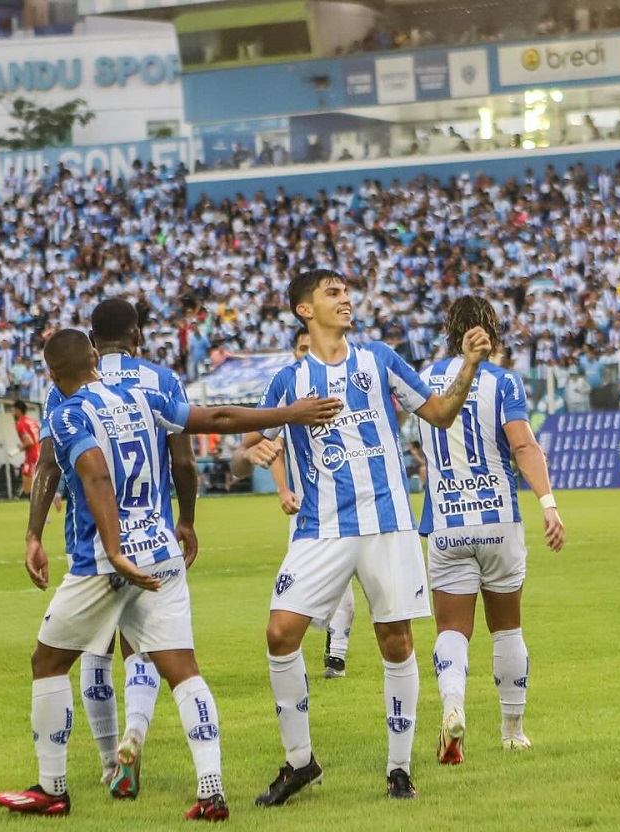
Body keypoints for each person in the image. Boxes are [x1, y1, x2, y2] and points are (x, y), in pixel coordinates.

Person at [0, 328, 341, 819]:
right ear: (97, 358)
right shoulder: (141, 394)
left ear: (51, 374)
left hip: (103, 560)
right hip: (161, 551)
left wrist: (114, 551)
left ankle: (52, 789)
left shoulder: (67, 412)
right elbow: (219, 418)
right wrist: (291, 413)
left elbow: (94, 475)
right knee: (183, 672)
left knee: (47, 663)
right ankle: (212, 792)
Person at [232, 269, 492, 803]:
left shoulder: (378, 360)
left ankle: (399, 769)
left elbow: (441, 414)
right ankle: (299, 763)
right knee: (280, 634)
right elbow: (240, 456)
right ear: (305, 310)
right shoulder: (289, 381)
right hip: (320, 528)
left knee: (395, 641)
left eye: (347, 292)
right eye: (332, 293)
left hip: (387, 523)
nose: (346, 299)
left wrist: (468, 365)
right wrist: (249, 454)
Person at [23, 299, 200, 800]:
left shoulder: (65, 390)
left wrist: (34, 532)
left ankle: (107, 763)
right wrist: (185, 520)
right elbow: (183, 463)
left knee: (89, 654)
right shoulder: (160, 382)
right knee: (143, 646)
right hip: (154, 535)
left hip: (93, 542)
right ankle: (135, 734)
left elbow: (49, 463)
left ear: (92, 342)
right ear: (137, 334)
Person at [415, 297, 565, 765]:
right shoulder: (503, 383)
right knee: (506, 629)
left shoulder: (423, 378)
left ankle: (453, 705)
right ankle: (512, 730)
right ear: (491, 332)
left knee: (452, 630)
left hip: (445, 523)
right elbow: (522, 443)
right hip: (498, 520)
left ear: (449, 330)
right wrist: (549, 504)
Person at [247, 327, 358, 680]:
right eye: (300, 348)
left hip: (357, 507)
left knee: (350, 588)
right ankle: (305, 653)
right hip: (309, 509)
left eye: (310, 347)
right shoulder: (290, 395)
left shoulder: (346, 389)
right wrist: (282, 491)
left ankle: (336, 657)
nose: (305, 352)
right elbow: (271, 446)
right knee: (308, 589)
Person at [13, 401, 39, 498]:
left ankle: (40, 511)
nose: (12, 413)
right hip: (40, 454)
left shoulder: (21, 424)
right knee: (35, 486)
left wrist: (20, 448)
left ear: (18, 411)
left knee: (29, 490)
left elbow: (29, 442)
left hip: (32, 456)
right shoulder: (32, 421)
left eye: (13, 410)